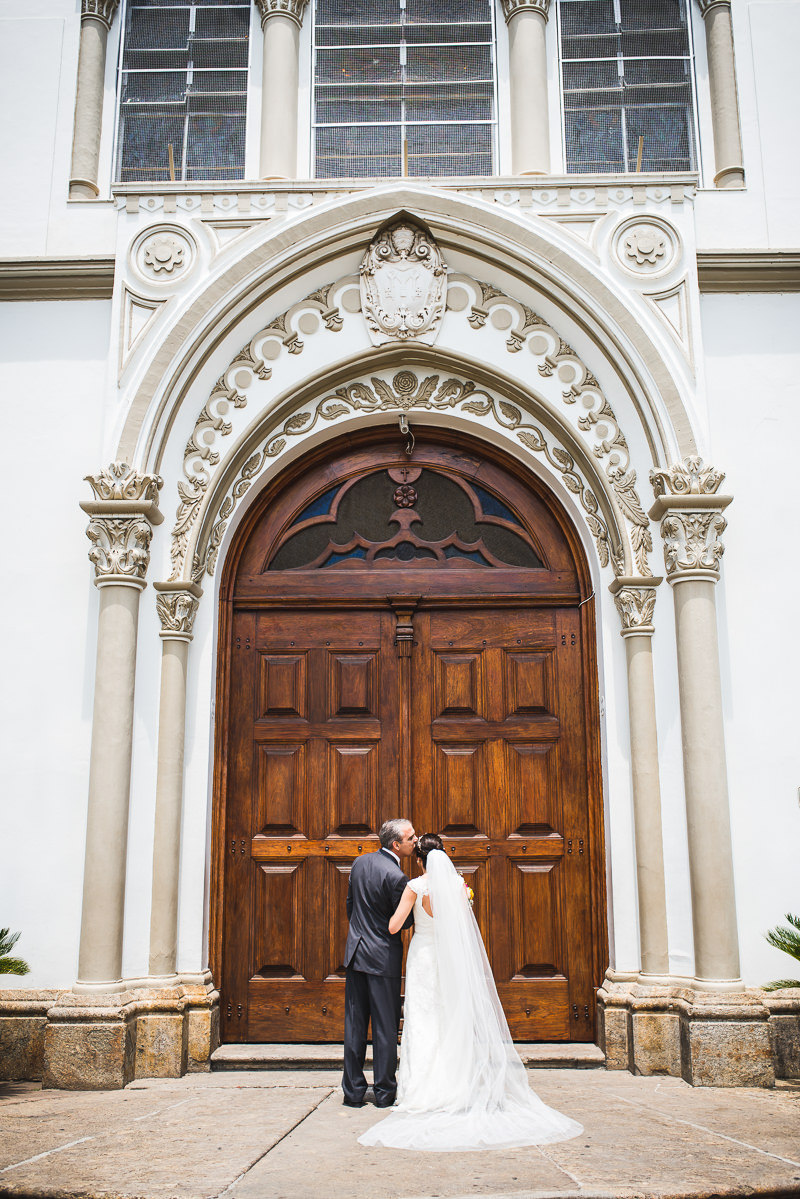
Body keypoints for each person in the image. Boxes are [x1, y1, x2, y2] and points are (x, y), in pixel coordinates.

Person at [358, 833, 583, 1151]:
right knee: (450, 1019)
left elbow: (394, 926)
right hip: (449, 959)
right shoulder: (456, 887)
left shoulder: (415, 887)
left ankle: (421, 1091)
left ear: (420, 860)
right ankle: (457, 1085)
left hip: (424, 958)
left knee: (423, 1021)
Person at [342, 817, 417, 1108]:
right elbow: (405, 920)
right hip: (383, 958)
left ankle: (353, 1092)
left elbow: (351, 905)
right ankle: (384, 1092)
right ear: (396, 845)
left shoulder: (360, 863)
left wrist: (360, 933)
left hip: (356, 953)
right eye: (411, 838)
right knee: (385, 1028)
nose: (415, 841)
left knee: (355, 1025)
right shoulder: (398, 878)